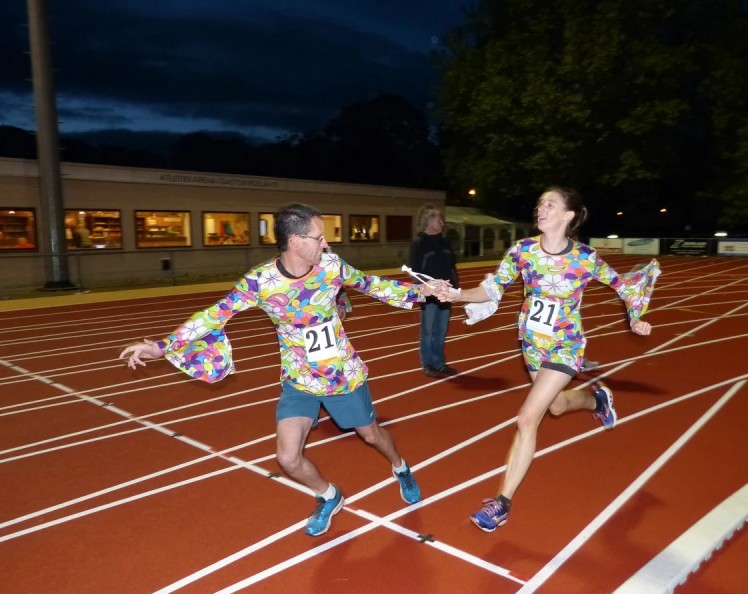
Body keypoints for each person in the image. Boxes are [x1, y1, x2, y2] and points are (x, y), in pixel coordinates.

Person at [120, 203, 439, 536]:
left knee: (371, 435)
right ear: (296, 241)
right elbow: (215, 314)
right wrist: (162, 346)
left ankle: (401, 467)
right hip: (299, 379)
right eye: (319, 238)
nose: (326, 244)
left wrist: (422, 291)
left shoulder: (330, 266)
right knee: (287, 458)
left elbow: (372, 285)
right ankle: (329, 495)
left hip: (340, 374)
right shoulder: (261, 281)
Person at [433, 186, 660, 532]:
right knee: (553, 407)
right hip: (531, 345)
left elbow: (623, 286)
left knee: (527, 419)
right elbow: (493, 290)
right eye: (539, 204)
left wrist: (636, 318)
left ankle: (501, 503)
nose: (541, 209)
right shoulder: (523, 251)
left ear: (568, 215)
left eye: (550, 205)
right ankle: (595, 399)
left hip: (566, 346)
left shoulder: (584, 258)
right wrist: (457, 292)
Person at [409, 204, 459, 377]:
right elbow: (415, 271)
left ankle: (439, 362)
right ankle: (428, 363)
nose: (442, 223)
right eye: (439, 220)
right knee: (428, 331)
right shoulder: (419, 244)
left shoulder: (445, 242)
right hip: (429, 296)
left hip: (447, 294)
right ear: (429, 222)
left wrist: (455, 288)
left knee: (441, 331)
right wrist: (426, 288)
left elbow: (452, 267)